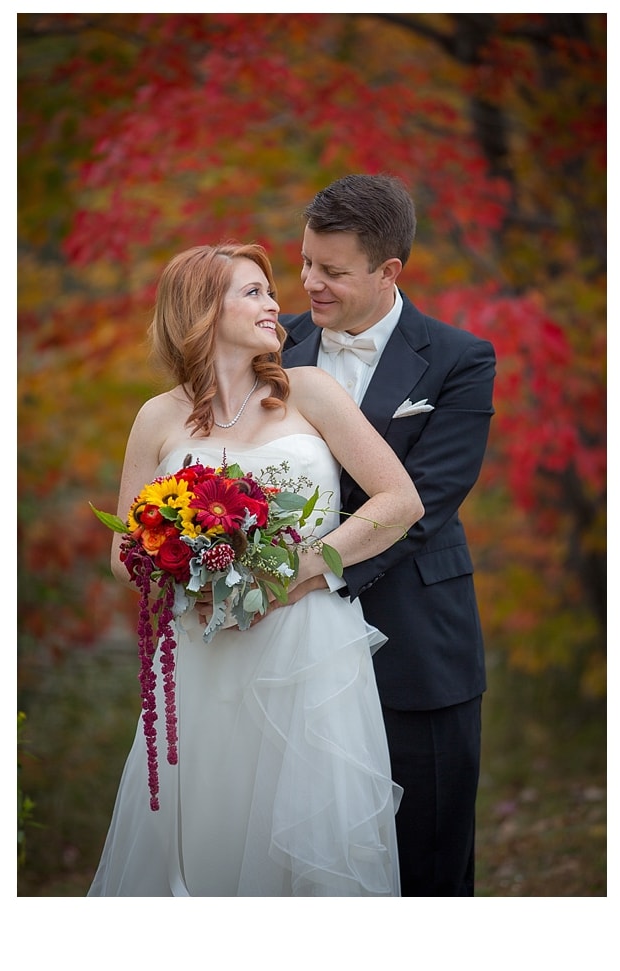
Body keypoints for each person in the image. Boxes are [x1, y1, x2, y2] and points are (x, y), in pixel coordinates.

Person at [88, 242, 423, 896]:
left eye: (272, 292)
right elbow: (123, 548)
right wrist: (194, 579)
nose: (277, 305)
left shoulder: (312, 394)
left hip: (306, 647)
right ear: (202, 308)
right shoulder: (156, 417)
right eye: (254, 292)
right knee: (205, 835)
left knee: (306, 843)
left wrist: (299, 564)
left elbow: (399, 501)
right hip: (201, 651)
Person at [280, 173, 496, 896]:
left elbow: (425, 503)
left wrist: (311, 572)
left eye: (332, 271)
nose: (309, 282)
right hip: (287, 650)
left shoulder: (461, 360)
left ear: (388, 271)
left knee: (428, 863)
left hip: (416, 647)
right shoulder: (271, 343)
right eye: (306, 260)